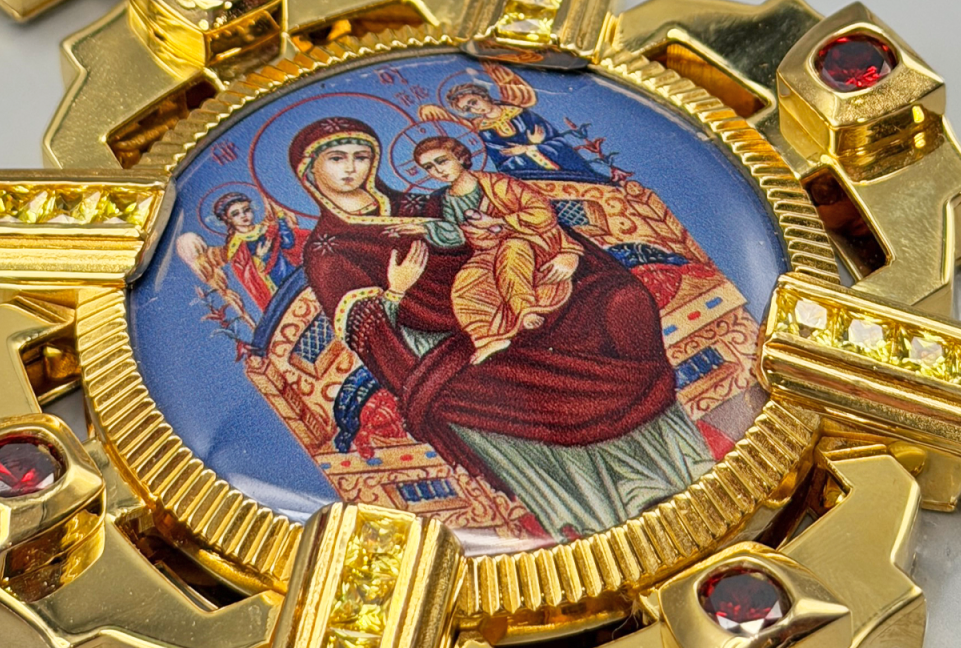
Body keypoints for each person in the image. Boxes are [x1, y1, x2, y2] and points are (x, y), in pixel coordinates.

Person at [289, 115, 714, 541]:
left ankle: (674, 470)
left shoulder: (422, 205)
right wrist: (397, 292)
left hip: (513, 294)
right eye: (337, 159)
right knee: (518, 389)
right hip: (440, 341)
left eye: (361, 156)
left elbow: (520, 224)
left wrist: (566, 252)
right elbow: (366, 332)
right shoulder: (330, 249)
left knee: (616, 301)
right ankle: (605, 510)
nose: (352, 168)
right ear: (309, 172)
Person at [387, 136, 582, 364]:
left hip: (530, 242)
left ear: (460, 157)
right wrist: (425, 228)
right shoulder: (447, 199)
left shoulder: (499, 185)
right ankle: (486, 338)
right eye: (429, 167)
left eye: (442, 161)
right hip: (487, 252)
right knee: (466, 282)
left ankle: (525, 309)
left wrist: (498, 222)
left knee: (512, 252)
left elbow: (542, 212)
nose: (438, 170)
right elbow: (458, 233)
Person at [419, 61, 604, 180]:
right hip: (528, 175)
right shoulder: (483, 130)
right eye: (468, 109)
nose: (475, 109)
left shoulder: (521, 113)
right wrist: (522, 151)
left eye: (473, 102)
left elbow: (556, 141)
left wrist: (530, 148)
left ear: (482, 95)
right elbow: (501, 159)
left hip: (564, 166)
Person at [211, 191, 307, 312]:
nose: (243, 216)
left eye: (246, 210)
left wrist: (282, 221)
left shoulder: (266, 229)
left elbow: (288, 244)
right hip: (274, 284)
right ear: (228, 219)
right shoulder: (237, 248)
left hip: (291, 269)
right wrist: (262, 257)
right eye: (235, 214)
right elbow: (250, 277)